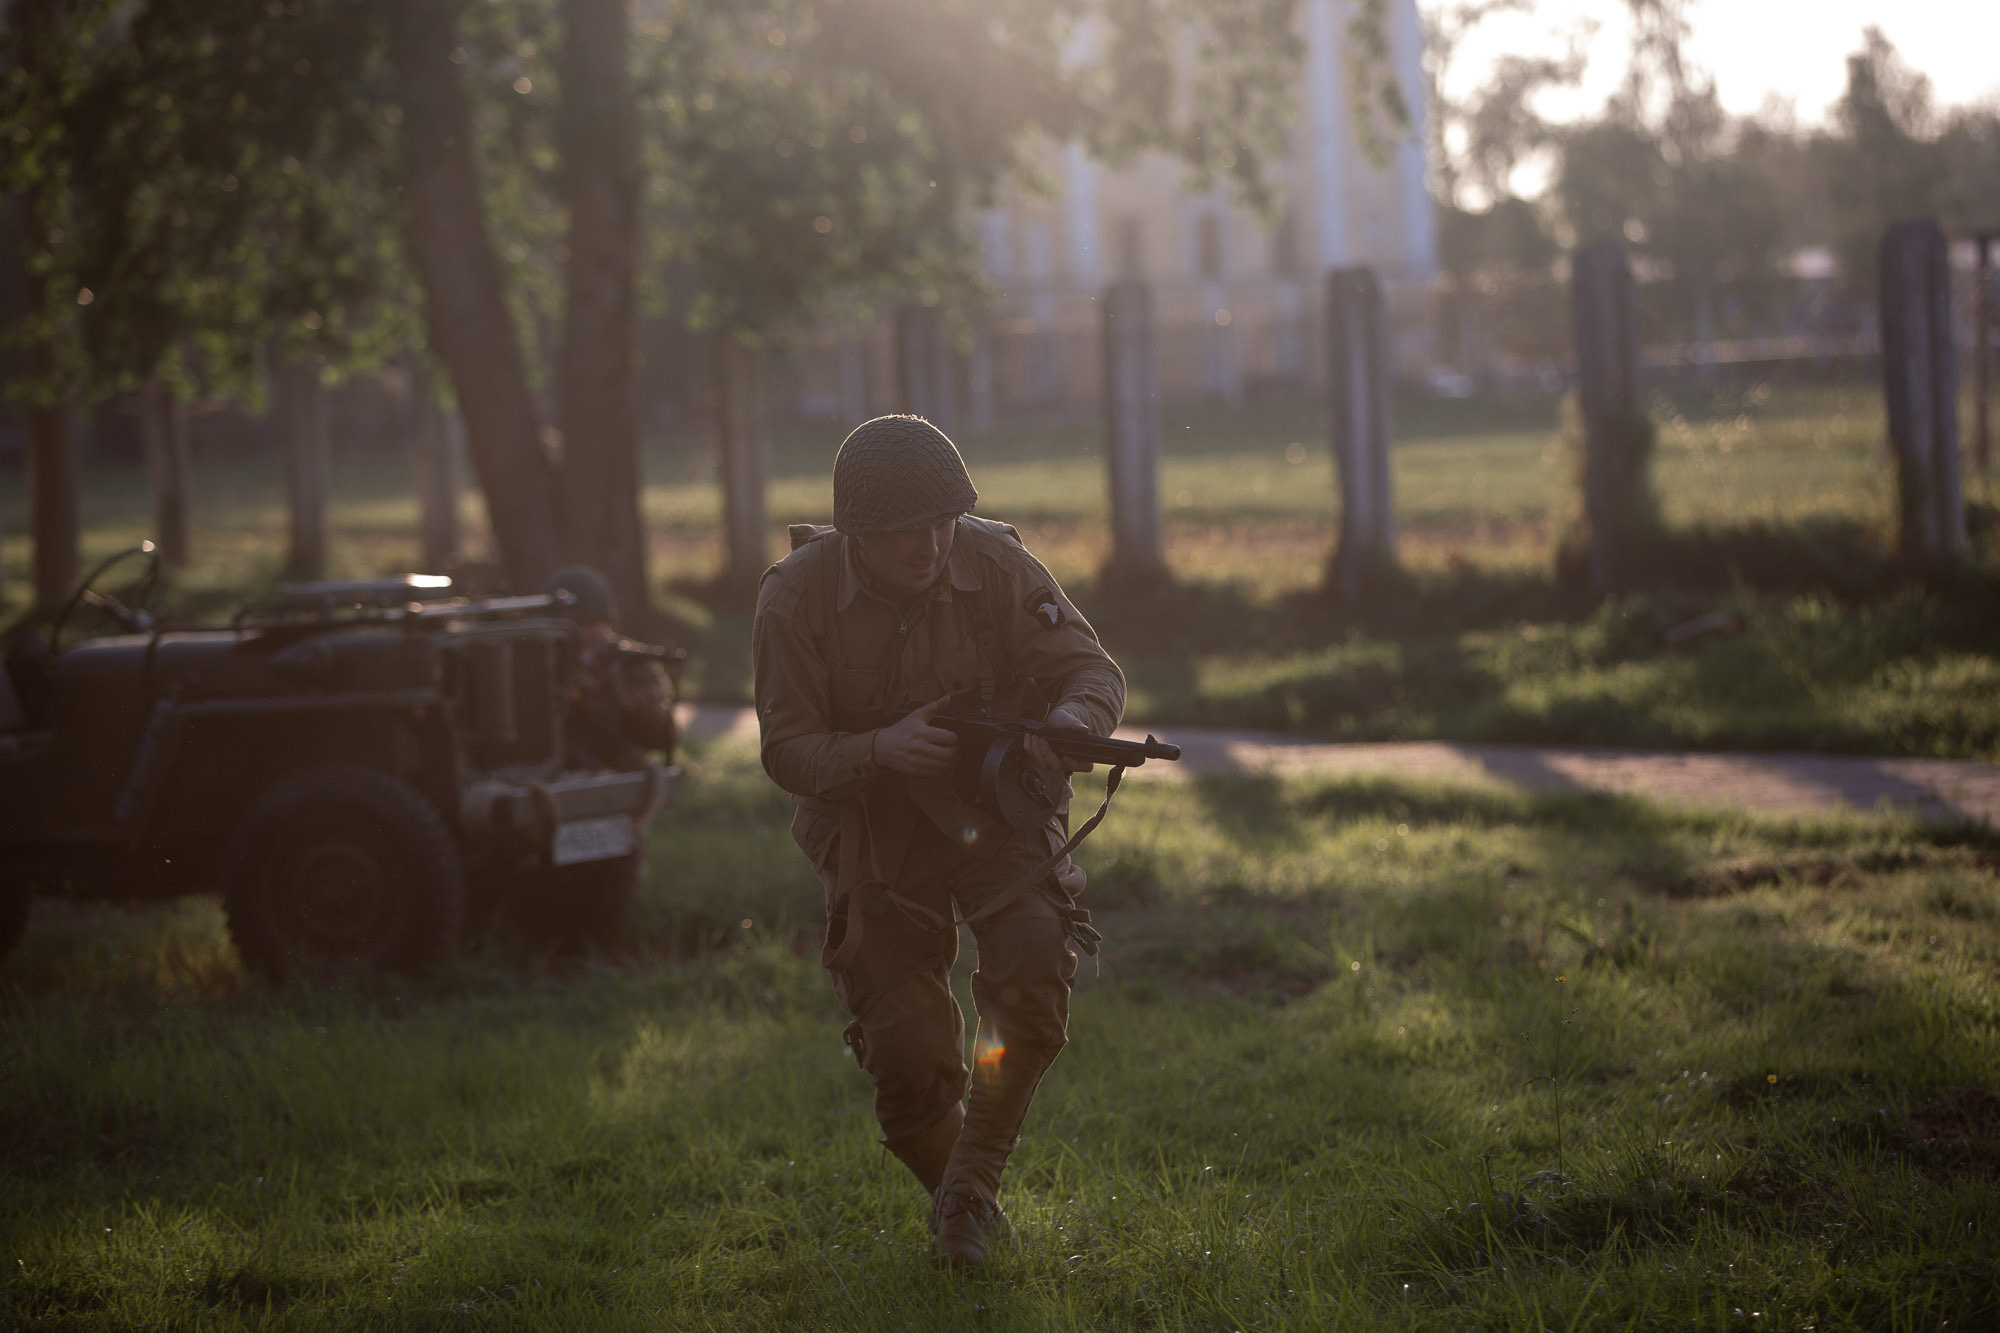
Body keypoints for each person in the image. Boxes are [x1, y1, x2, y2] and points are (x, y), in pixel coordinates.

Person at [752, 414, 1126, 1270]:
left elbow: (1092, 669)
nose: (929, 545)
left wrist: (1071, 721)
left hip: (995, 814)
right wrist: (878, 749)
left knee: (1034, 965)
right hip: (872, 833)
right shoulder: (794, 597)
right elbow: (786, 749)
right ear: (856, 533)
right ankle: (967, 1202)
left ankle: (967, 1195)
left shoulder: (994, 560)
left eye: (942, 521)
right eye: (903, 530)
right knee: (905, 1052)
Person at [546, 565, 679, 772]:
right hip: (557, 763)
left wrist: (645, 712)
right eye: (577, 624)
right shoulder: (546, 662)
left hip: (617, 764)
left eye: (594, 622)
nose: (586, 632)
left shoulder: (631, 660)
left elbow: (659, 736)